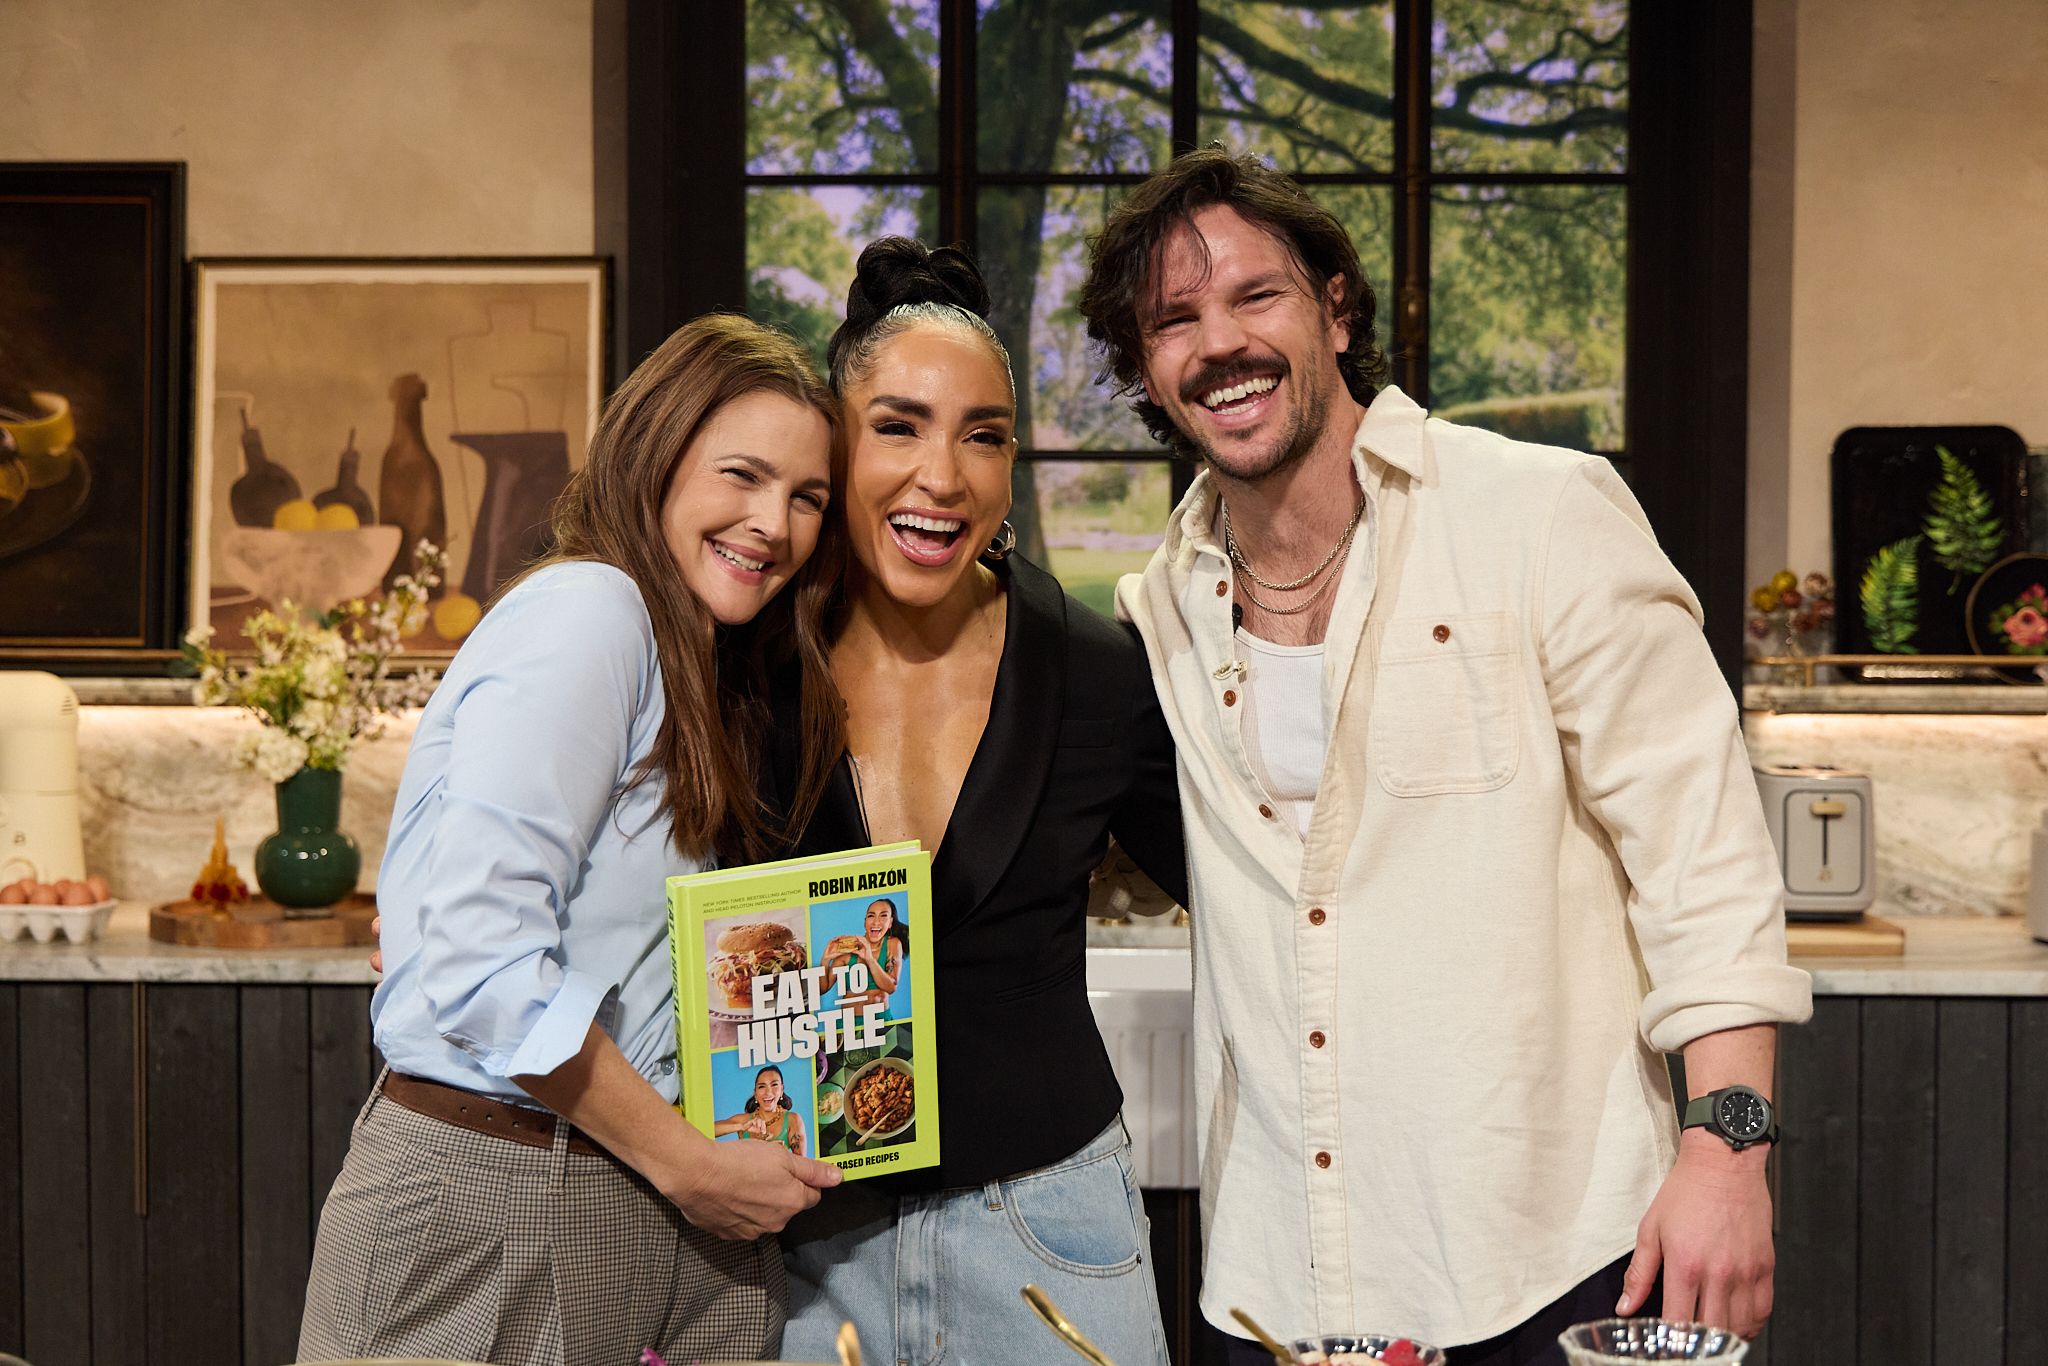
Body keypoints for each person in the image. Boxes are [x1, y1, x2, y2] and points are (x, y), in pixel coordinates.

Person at [1079, 149, 1813, 1364]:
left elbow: (1704, 861)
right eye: (1172, 320)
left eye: (1256, 295)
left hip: (1557, 1253)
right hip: (1280, 1283)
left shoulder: (1539, 513)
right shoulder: (1164, 603)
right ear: (1145, 369)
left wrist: (1726, 1150)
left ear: (1335, 309)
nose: (1219, 343)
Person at [298, 314, 848, 1366]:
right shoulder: (590, 609)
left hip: (635, 1196)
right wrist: (690, 1164)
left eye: (807, 497)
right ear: (654, 456)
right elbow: (484, 962)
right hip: (497, 1193)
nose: (773, 523)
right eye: (741, 475)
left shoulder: (700, 658)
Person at [768, 237, 1187, 1366]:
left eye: (984, 435)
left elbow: (1260, 888)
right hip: (795, 1244)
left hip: (1045, 1225)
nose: (942, 477)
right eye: (898, 426)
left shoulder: (1096, 671)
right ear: (834, 440)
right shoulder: (742, 662)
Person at [826, 895, 906, 1009]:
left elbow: (891, 987)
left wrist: (869, 959)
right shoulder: (848, 948)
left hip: (881, 1017)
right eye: (871, 916)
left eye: (883, 916)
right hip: (850, 1018)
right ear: (865, 922)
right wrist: (825, 959)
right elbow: (824, 987)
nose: (876, 922)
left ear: (890, 923)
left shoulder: (893, 944)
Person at [719, 1064, 808, 1157]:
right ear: (755, 1093)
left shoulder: (792, 1119)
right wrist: (741, 1126)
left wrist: (783, 1155)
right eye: (762, 1086)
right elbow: (710, 1129)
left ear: (782, 1090)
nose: (768, 1092)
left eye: (774, 1085)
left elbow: (801, 1163)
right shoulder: (743, 1121)